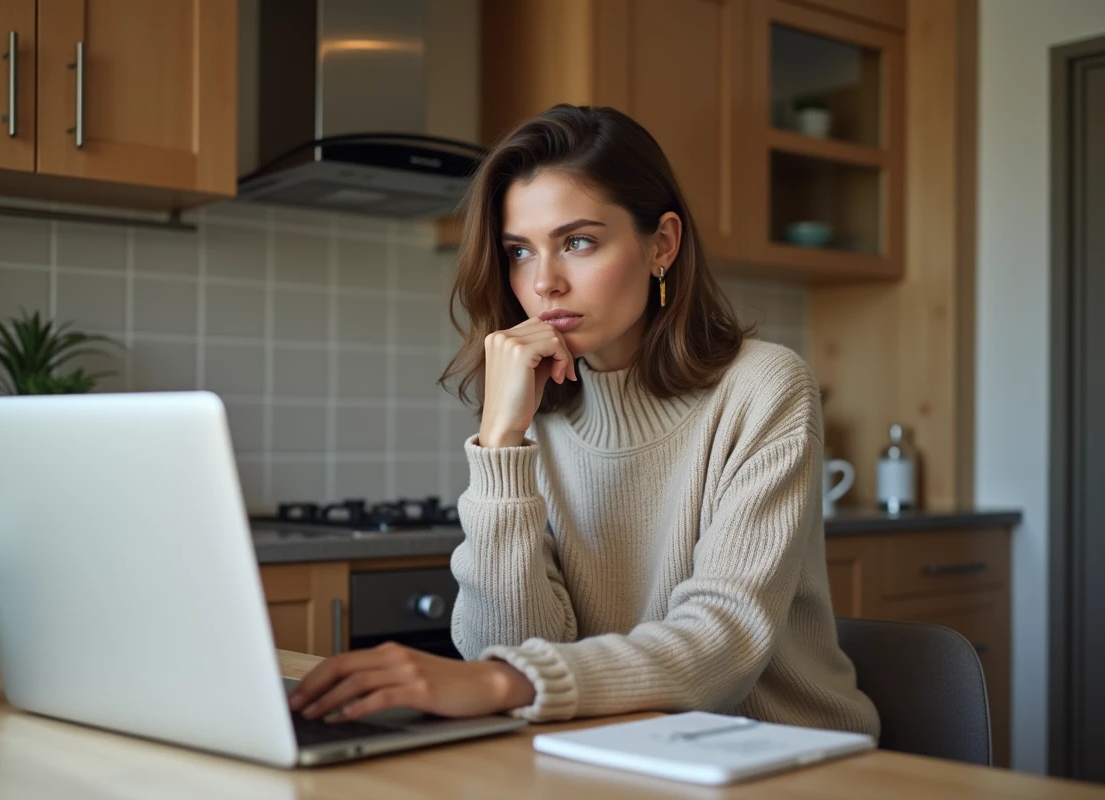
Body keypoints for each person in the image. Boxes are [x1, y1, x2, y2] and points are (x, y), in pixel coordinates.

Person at [289, 104, 879, 737]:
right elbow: (509, 642)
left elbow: (721, 648)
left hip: (779, 753)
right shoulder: (534, 409)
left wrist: (503, 681)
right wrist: (500, 444)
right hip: (613, 749)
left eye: (577, 242)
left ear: (662, 244)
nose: (544, 282)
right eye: (519, 251)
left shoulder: (763, 387)